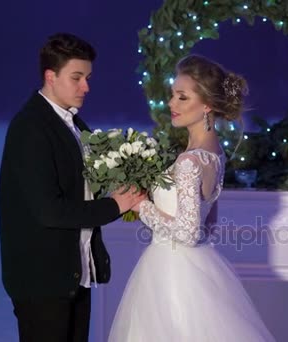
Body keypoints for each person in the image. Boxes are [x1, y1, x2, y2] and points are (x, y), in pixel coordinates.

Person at [108, 55, 275, 341]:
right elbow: (208, 226)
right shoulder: (215, 155)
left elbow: (186, 233)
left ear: (207, 104)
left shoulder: (189, 162)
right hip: (196, 268)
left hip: (172, 273)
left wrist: (140, 205)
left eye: (182, 97)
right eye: (172, 95)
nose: (171, 104)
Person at [0, 33, 144, 342]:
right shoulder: (30, 127)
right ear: (51, 77)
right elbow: (48, 210)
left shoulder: (77, 126)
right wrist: (114, 206)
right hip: (42, 280)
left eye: (88, 77)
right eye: (77, 78)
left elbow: (84, 189)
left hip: (74, 274)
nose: (86, 87)